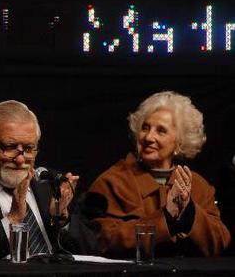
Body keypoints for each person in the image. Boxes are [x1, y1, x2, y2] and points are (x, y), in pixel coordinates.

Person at [87, 91, 230, 257]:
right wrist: (166, 218)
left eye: (161, 131)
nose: (149, 137)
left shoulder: (198, 185)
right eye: (145, 128)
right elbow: (100, 240)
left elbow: (221, 242)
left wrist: (188, 211)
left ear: (179, 142)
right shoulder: (113, 181)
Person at [0, 100, 96, 260]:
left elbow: (91, 250)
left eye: (28, 149)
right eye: (10, 147)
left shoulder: (52, 184)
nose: (20, 160)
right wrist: (12, 219)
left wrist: (62, 219)